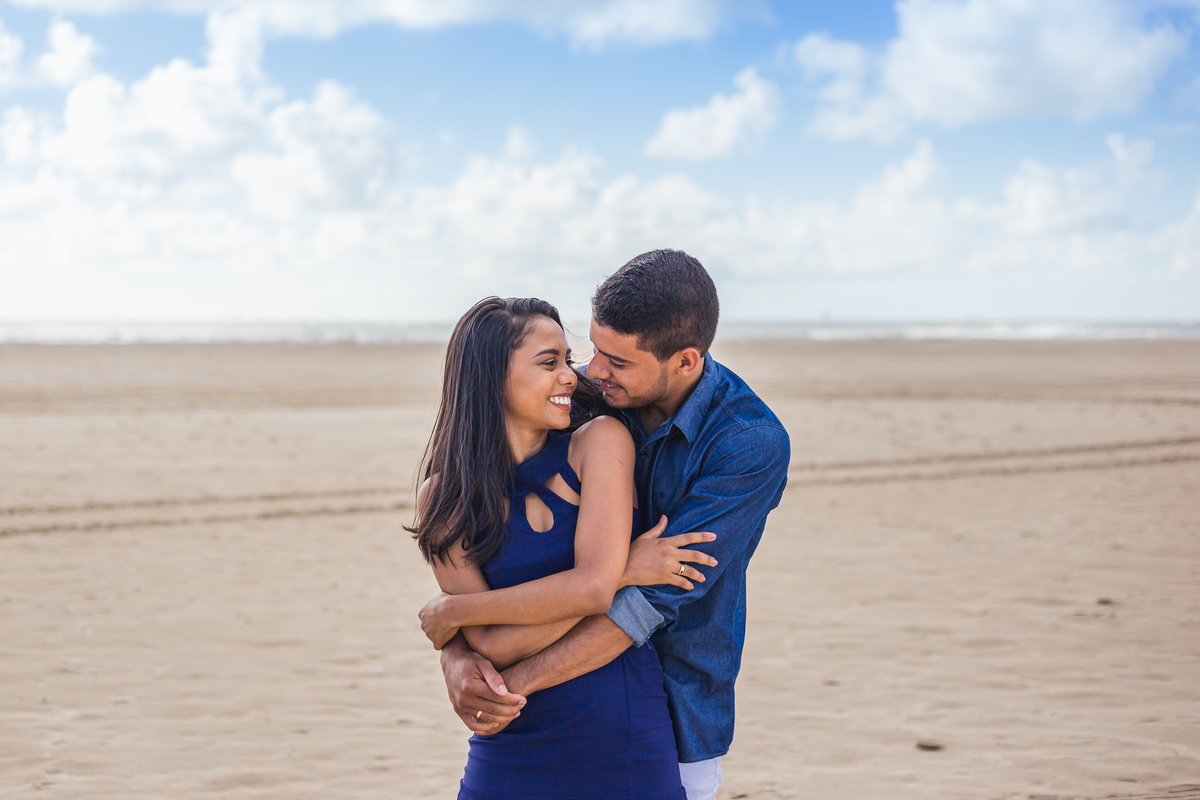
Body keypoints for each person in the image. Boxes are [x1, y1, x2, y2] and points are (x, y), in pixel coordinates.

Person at [435, 250, 791, 800]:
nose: (590, 374)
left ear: (685, 361)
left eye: (617, 362)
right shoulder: (588, 394)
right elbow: (491, 432)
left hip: (675, 706)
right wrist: (459, 655)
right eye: (594, 351)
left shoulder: (747, 444)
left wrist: (502, 683)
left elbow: (646, 599)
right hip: (536, 710)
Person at [409, 296, 714, 799]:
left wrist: (456, 610)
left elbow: (592, 591)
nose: (572, 376)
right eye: (549, 363)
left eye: (567, 360)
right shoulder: (443, 499)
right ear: (491, 378)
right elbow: (491, 644)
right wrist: (625, 570)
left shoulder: (600, 441)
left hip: (622, 730)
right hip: (511, 736)